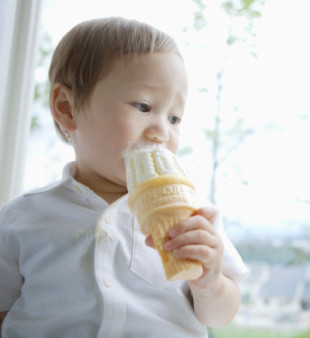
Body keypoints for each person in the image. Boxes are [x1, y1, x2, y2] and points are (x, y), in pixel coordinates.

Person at [0, 17, 248, 337]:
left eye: (174, 117)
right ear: (67, 108)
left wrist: (210, 282)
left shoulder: (195, 215)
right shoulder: (21, 218)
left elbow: (220, 316)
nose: (162, 130)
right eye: (144, 106)